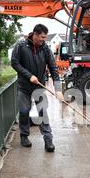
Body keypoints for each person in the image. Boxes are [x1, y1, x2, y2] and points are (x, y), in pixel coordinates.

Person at [11, 24, 64, 152]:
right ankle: (24, 136)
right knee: (24, 111)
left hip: (39, 87)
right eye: (41, 37)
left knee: (43, 112)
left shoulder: (45, 49)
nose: (43, 40)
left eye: (45, 37)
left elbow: (53, 68)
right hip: (24, 86)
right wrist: (29, 76)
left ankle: (48, 139)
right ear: (34, 34)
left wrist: (58, 89)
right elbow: (14, 63)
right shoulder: (21, 46)